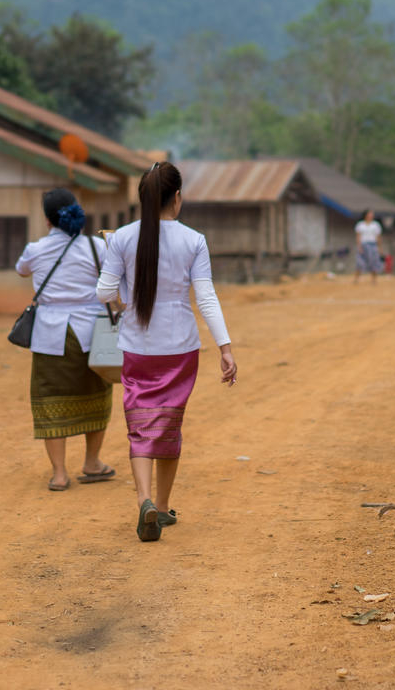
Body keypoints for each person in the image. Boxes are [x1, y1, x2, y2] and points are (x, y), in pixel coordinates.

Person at [97, 161, 237, 543]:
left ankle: (143, 500)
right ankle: (160, 506)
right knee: (169, 426)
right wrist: (224, 348)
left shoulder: (122, 238)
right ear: (176, 198)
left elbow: (104, 293)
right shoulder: (194, 240)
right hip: (180, 348)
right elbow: (205, 297)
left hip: (137, 346)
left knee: (139, 426)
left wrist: (127, 296)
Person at [14, 189, 117, 492]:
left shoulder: (36, 249)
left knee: (49, 399)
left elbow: (22, 271)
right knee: (97, 393)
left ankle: (59, 474)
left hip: (50, 334)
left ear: (47, 220)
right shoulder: (97, 246)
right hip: (91, 334)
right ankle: (92, 463)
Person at [354, 209, 383, 284]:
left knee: (373, 262)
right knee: (360, 262)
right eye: (370, 214)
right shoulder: (360, 225)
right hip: (363, 245)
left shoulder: (375, 225)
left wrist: (379, 247)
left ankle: (374, 279)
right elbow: (358, 236)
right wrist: (359, 246)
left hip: (372, 245)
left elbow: (378, 237)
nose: (371, 216)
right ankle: (356, 279)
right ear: (366, 215)